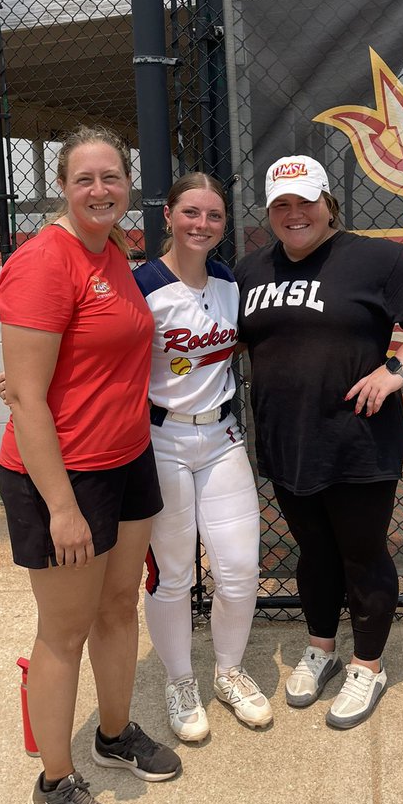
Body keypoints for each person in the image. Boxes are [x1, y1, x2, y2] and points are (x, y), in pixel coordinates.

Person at [0, 125, 180, 804]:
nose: (100, 190)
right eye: (84, 179)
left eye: (111, 177)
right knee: (64, 632)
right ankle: (53, 785)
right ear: (63, 187)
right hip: (63, 477)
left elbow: (76, 361)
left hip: (128, 460)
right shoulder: (45, 260)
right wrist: (62, 507)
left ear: (128, 185)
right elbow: (28, 398)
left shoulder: (116, 249)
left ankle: (113, 733)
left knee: (118, 607)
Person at [235, 155, 403, 729]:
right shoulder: (251, 269)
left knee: (362, 552)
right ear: (269, 212)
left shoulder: (376, 258)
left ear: (328, 203)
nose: (294, 214)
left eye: (305, 202)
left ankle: (368, 665)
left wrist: (398, 370)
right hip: (287, 438)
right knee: (313, 551)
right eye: (281, 205)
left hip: (358, 439)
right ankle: (321, 649)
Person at [134, 173, 271, 742]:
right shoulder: (143, 284)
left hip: (221, 435)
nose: (202, 224)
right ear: (168, 215)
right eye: (191, 212)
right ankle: (180, 680)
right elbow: (97, 346)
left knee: (239, 569)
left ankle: (229, 672)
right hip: (161, 437)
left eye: (214, 215)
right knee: (173, 574)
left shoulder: (230, 282)